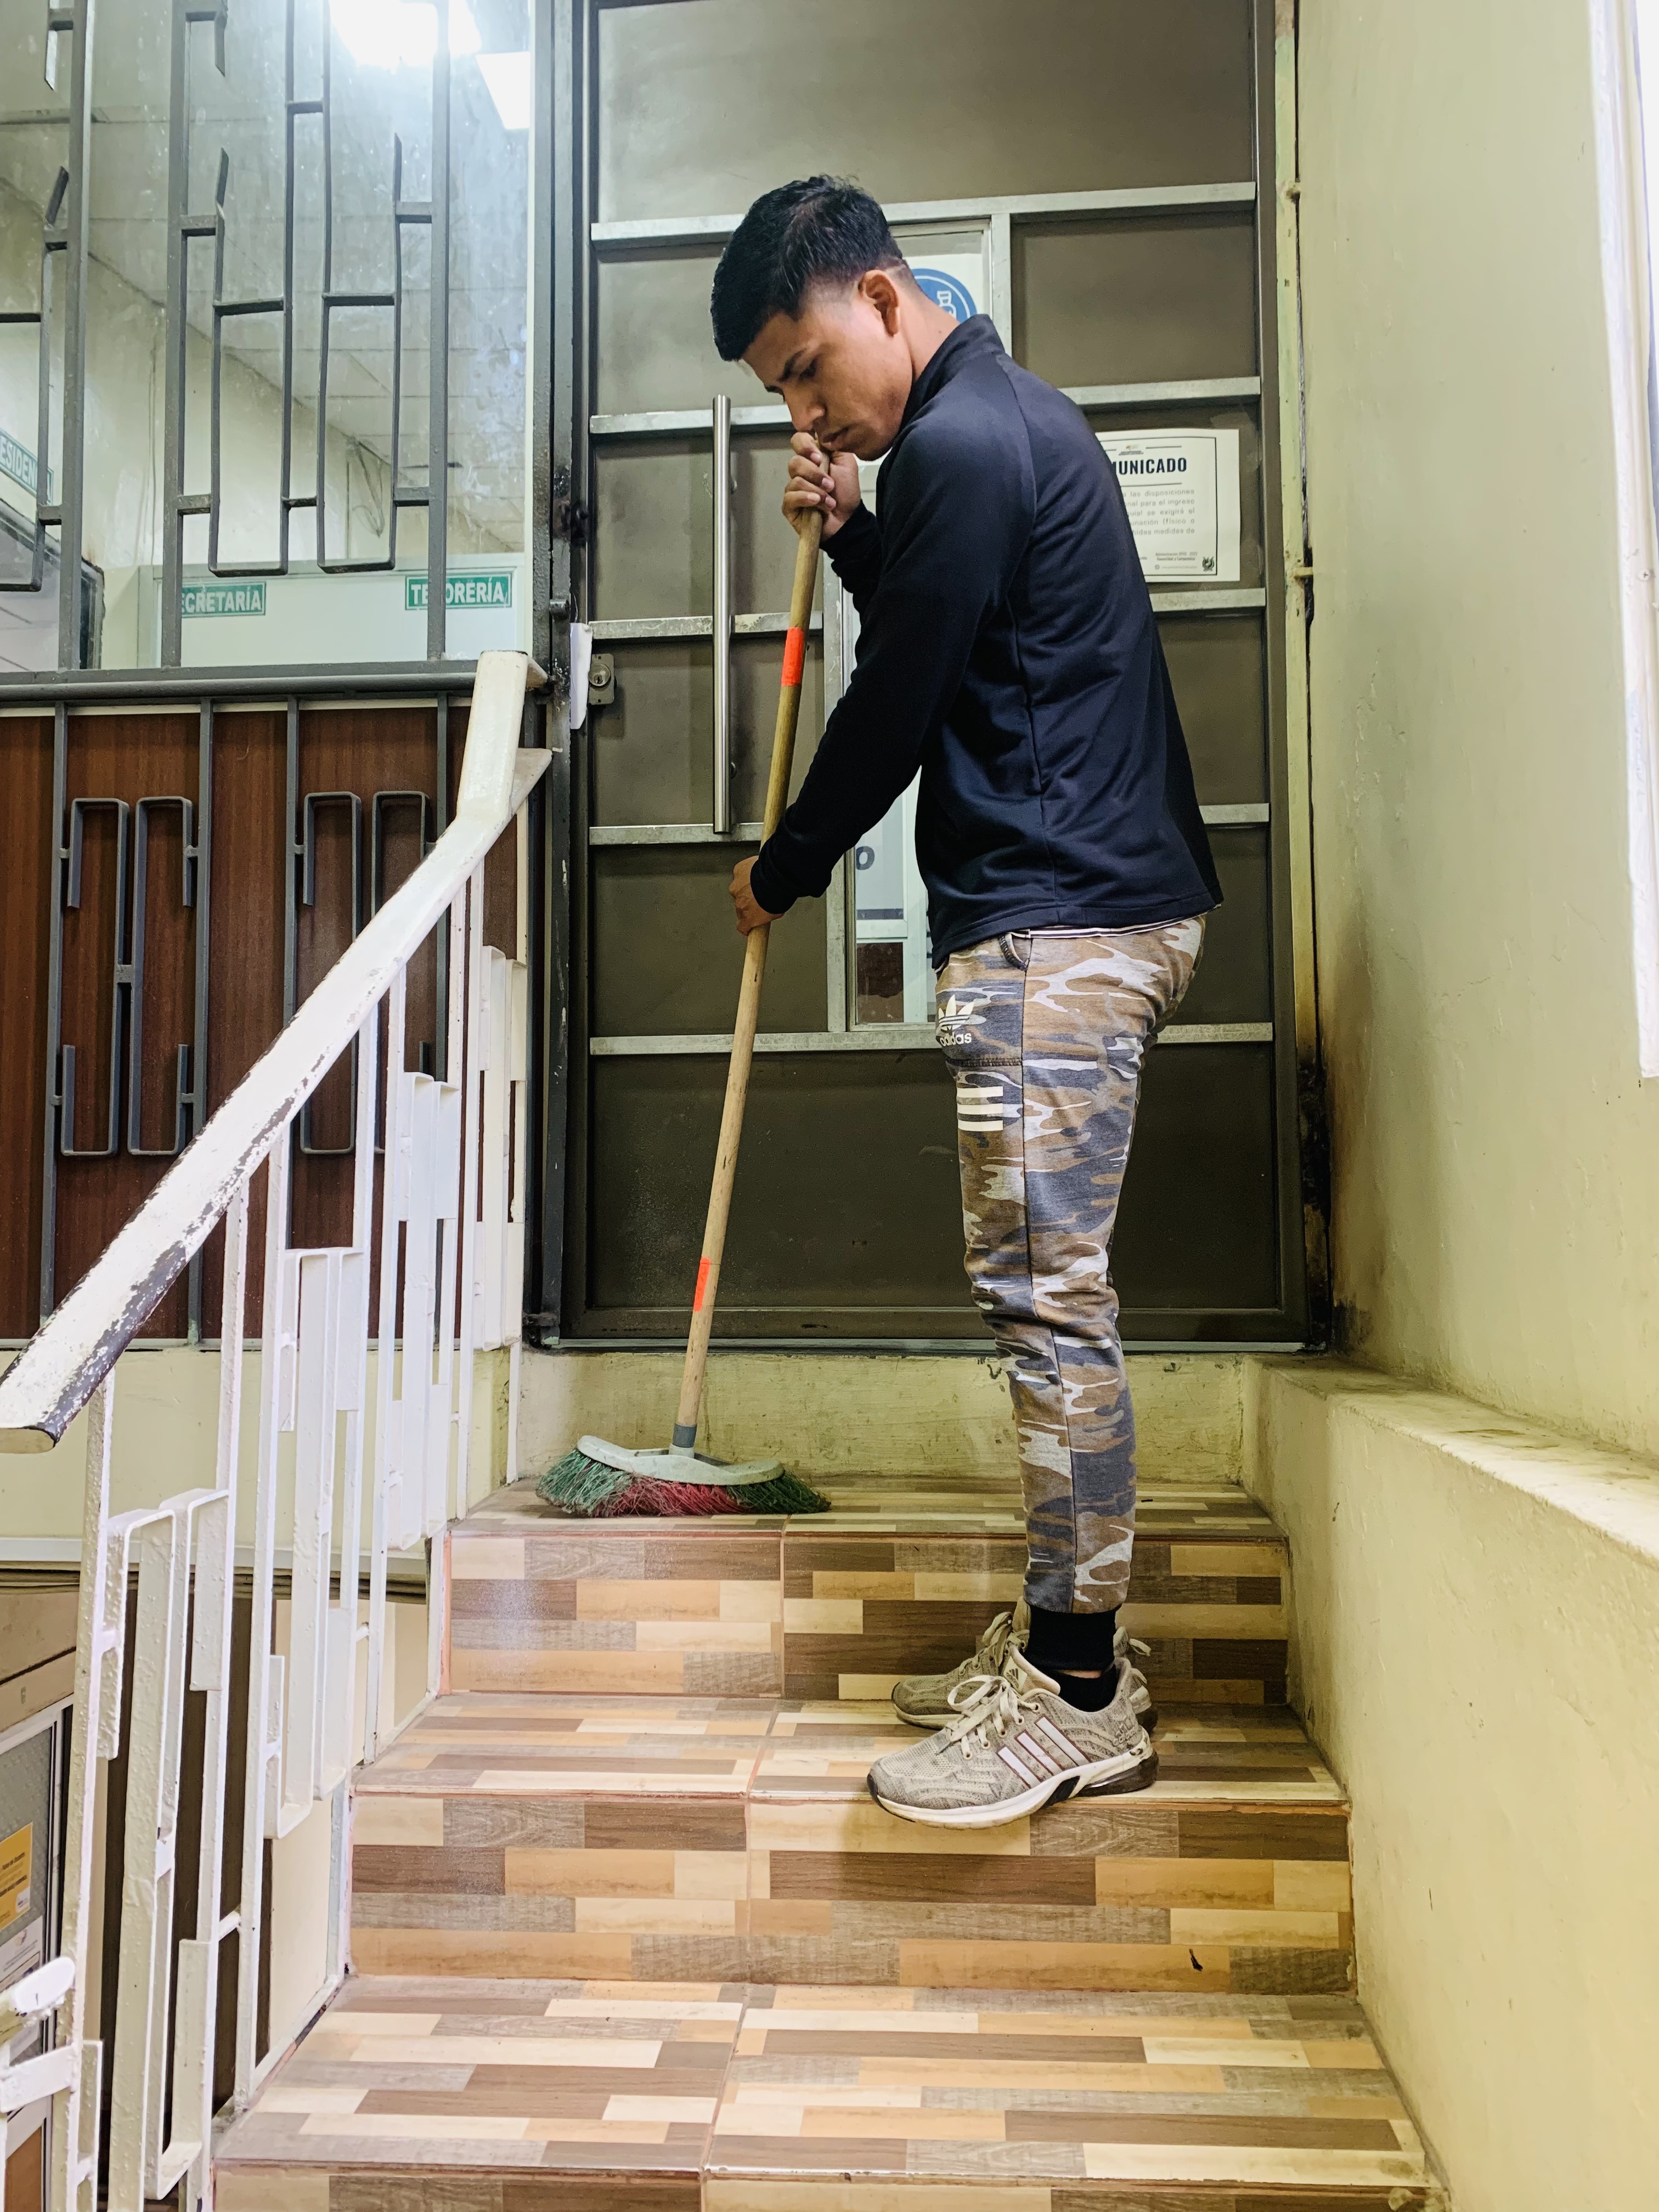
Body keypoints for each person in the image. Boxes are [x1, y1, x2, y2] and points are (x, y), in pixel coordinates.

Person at [710, 178, 1220, 1829]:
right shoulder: (983, 427)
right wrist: (861, 536)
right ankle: (1070, 1646)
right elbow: (959, 627)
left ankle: (1076, 1695)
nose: (806, 412)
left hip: (1057, 932)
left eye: (805, 370)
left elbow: (902, 701)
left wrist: (785, 866)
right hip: (1085, 912)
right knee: (1046, 1299)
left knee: (1047, 1306)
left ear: (879, 296)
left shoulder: (966, 442)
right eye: (781, 395)